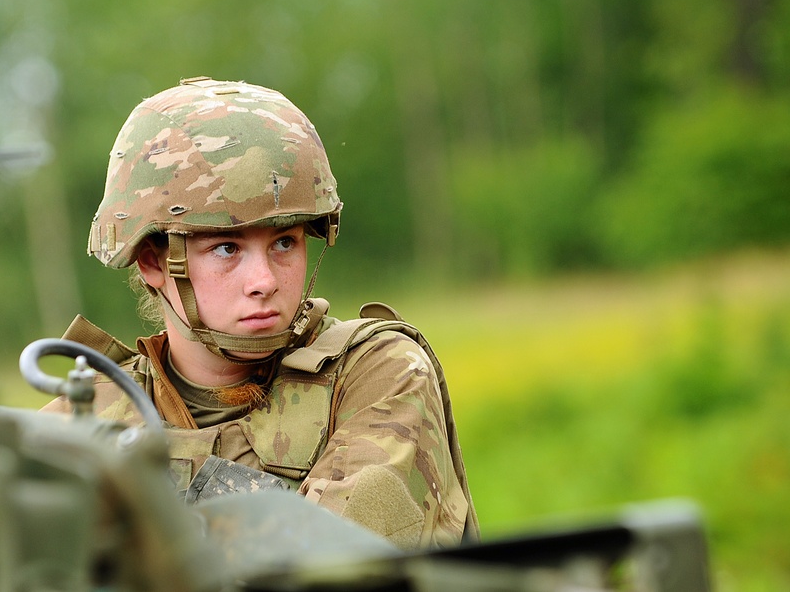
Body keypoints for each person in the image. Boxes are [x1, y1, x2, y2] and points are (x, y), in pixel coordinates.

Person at [42, 76, 479, 548]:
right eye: (227, 248)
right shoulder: (81, 420)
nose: (265, 281)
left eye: (285, 243)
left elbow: (333, 564)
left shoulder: (376, 373)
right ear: (153, 261)